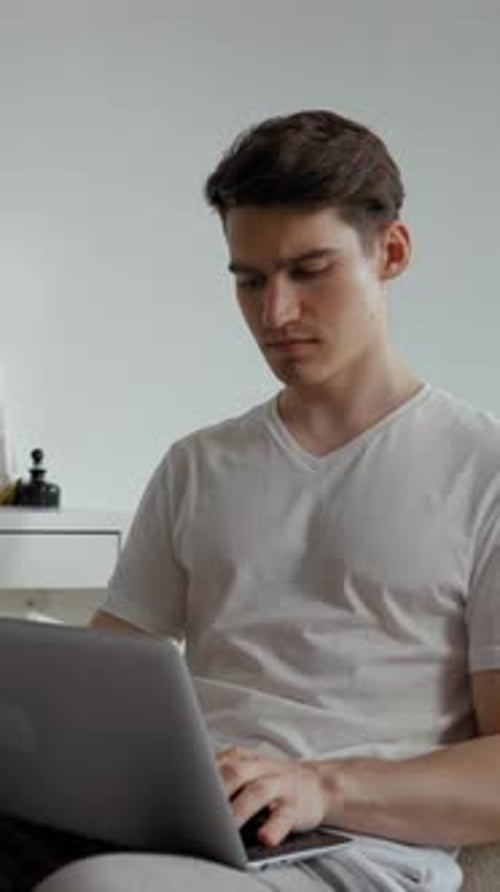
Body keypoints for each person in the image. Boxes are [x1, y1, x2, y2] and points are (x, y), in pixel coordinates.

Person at [28, 109, 500, 890]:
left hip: (347, 850)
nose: (274, 314)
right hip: (178, 822)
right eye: (250, 281)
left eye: (309, 271)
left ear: (393, 253)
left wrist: (320, 783)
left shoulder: (482, 472)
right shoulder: (198, 465)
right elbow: (100, 687)